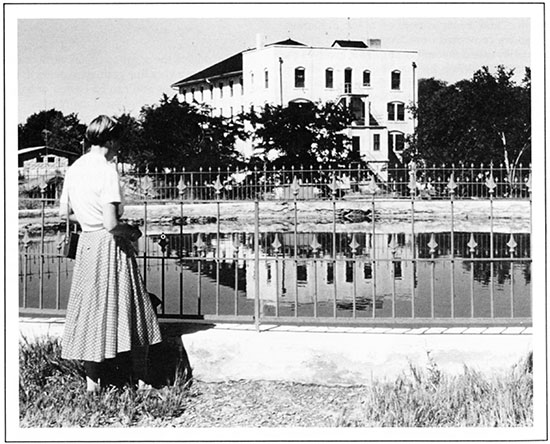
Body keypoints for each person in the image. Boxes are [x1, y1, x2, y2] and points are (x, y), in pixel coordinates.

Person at [59, 115, 162, 393]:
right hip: (110, 246)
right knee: (133, 306)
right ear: (111, 140)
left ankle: (93, 384)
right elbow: (112, 223)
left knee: (92, 308)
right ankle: (142, 379)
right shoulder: (107, 170)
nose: (119, 148)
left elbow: (64, 212)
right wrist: (133, 231)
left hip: (88, 244)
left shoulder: (75, 168)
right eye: (119, 142)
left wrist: (87, 217)